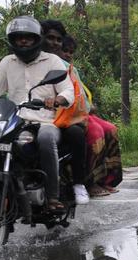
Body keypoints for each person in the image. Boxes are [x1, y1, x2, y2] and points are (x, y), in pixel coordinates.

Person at [0, 16, 75, 212]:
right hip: (14, 121)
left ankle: (52, 197)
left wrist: (57, 100)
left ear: (36, 39)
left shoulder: (52, 61)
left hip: (45, 121)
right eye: (18, 37)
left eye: (27, 37)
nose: (23, 41)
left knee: (47, 139)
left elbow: (68, 91)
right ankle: (1, 187)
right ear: (12, 40)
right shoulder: (8, 62)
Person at [61, 35, 123, 196]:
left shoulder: (72, 69)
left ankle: (106, 179)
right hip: (67, 115)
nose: (67, 54)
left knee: (111, 129)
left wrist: (89, 107)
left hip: (82, 112)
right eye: (65, 51)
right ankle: (89, 182)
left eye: (70, 52)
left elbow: (80, 93)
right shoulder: (54, 66)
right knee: (96, 134)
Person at [41, 19, 91, 205]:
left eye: (58, 39)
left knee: (76, 133)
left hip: (60, 118)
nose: (54, 43)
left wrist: (59, 100)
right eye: (50, 38)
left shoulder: (65, 66)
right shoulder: (21, 60)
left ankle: (79, 183)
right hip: (29, 117)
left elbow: (72, 93)